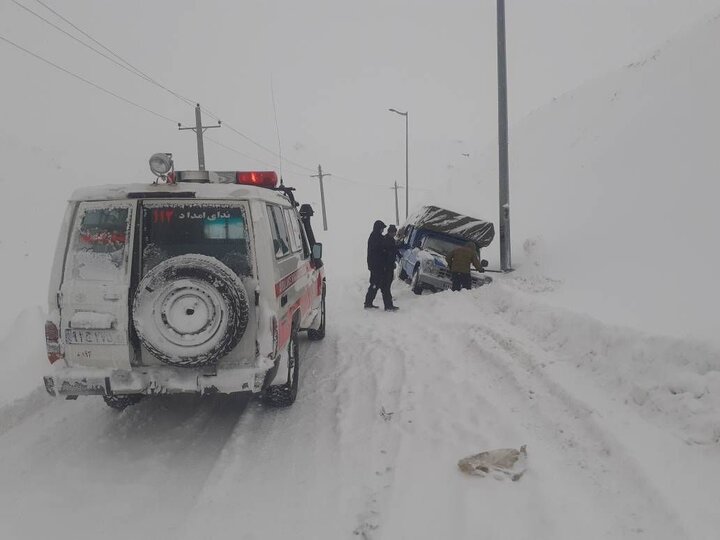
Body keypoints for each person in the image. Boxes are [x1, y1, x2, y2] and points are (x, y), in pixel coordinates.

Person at [364, 220, 398, 311]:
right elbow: (379, 251)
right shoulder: (375, 238)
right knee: (377, 284)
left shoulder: (377, 237)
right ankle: (370, 303)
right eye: (382, 228)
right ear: (378, 228)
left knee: (381, 285)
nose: (383, 230)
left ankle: (383, 304)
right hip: (376, 266)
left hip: (378, 266)